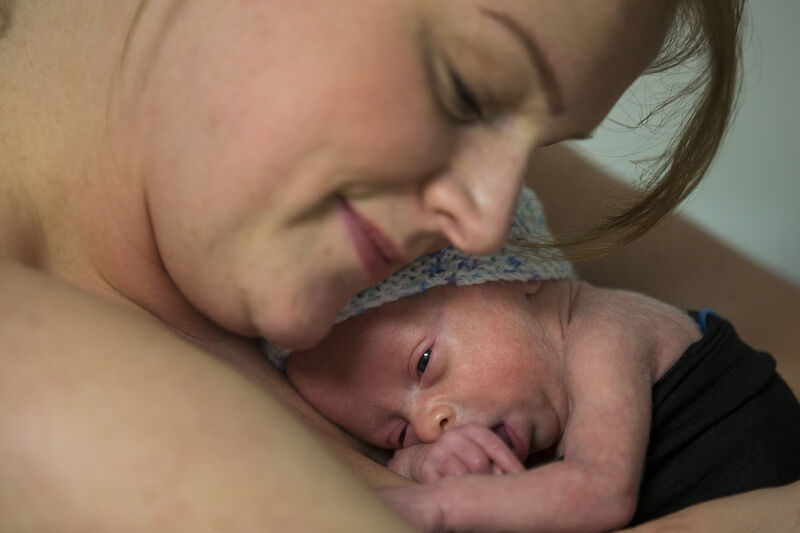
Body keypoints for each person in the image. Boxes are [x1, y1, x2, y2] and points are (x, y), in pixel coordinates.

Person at [4, 0, 798, 531]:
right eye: (463, 89)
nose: (491, 224)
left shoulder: (408, 191)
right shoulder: (28, 371)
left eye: (536, 147)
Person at [282, 188, 800, 532]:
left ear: (511, 273)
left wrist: (437, 505)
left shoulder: (605, 330)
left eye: (423, 364)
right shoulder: (523, 408)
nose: (430, 422)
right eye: (397, 432)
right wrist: (420, 462)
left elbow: (598, 492)